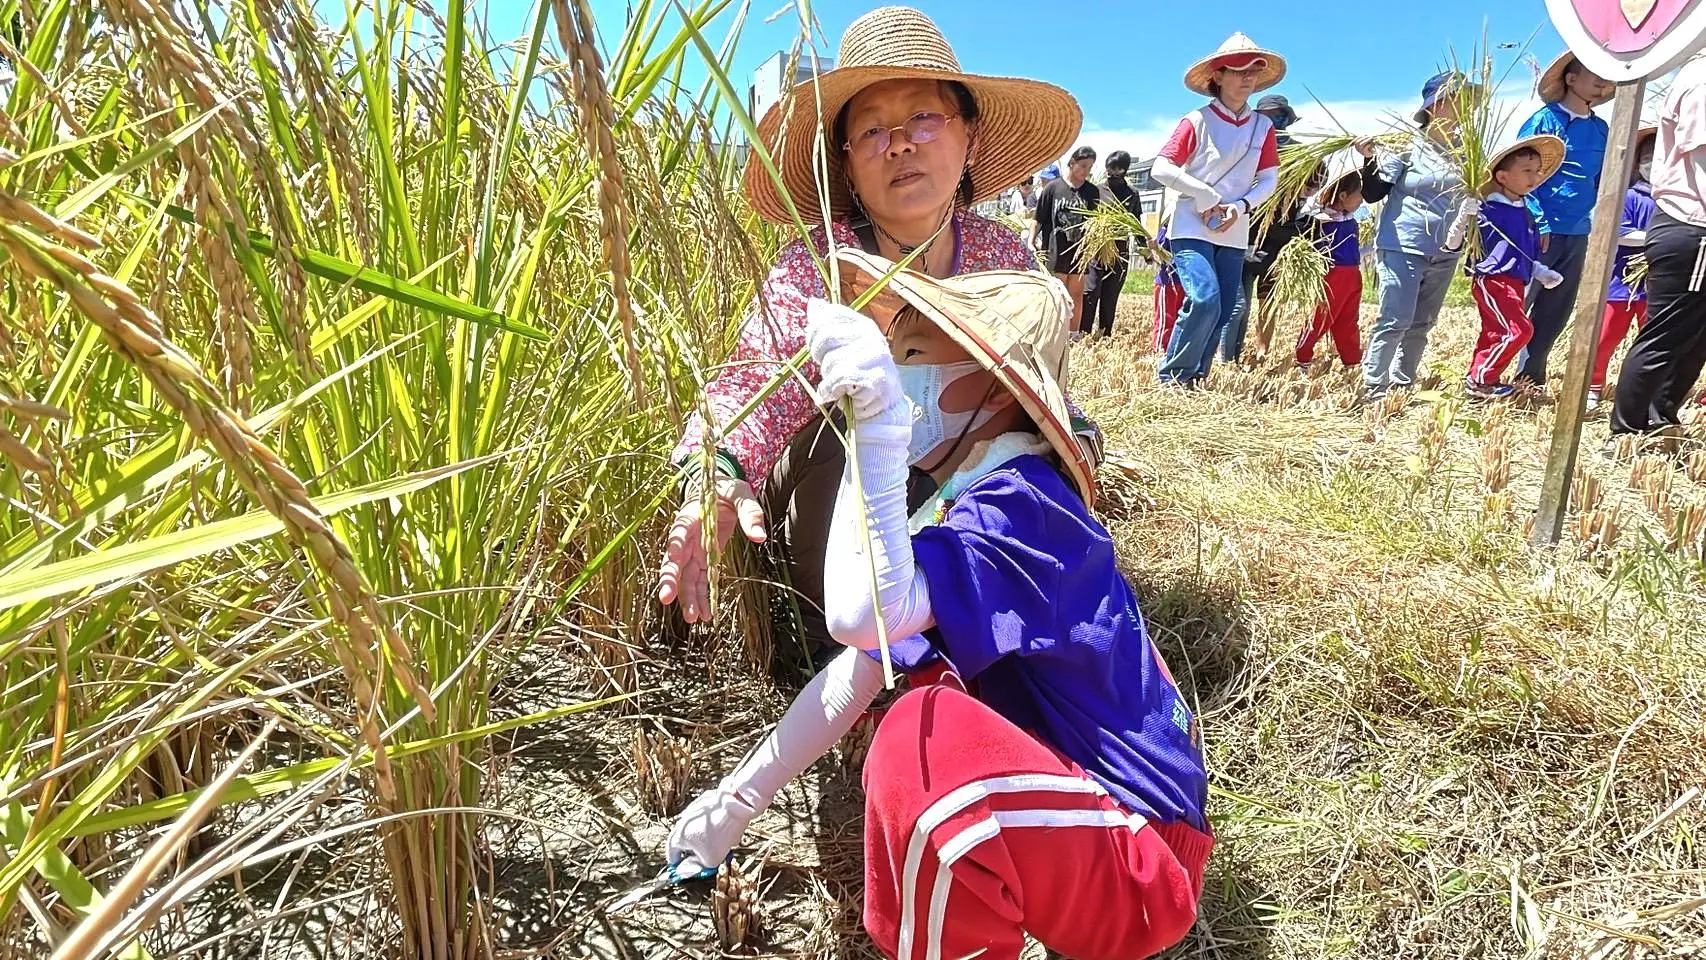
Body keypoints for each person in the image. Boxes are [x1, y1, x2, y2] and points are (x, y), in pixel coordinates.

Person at [666, 247, 1212, 960]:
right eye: (891, 356)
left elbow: (859, 614)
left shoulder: (1027, 507)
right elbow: (860, 663)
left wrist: (878, 428)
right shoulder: (967, 505)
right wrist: (736, 801)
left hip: (1139, 856)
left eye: (914, 355)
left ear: (996, 390)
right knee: (916, 717)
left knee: (919, 741)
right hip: (1082, 821)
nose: (897, 373)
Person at [658, 6, 1092, 661]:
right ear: (847, 166)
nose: (899, 144)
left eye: (924, 118)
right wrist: (714, 470)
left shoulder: (1002, 256)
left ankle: (965, 622)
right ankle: (844, 647)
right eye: (871, 131)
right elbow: (756, 377)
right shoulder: (819, 263)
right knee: (846, 432)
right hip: (843, 499)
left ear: (969, 137)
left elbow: (1037, 388)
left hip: (964, 485)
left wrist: (1074, 440)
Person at [1151, 33, 1284, 385]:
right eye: (1238, 70)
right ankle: (1173, 376)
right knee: (1204, 298)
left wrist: (1240, 207)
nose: (1247, 77)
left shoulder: (1263, 128)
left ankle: (1197, 377)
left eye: (1253, 71)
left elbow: (1269, 179)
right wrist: (1205, 195)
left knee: (1224, 308)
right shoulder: (1196, 120)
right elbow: (1161, 168)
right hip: (1191, 225)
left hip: (1234, 229)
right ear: (1218, 76)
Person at [1360, 71, 1481, 400]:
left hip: (1446, 249)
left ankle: (1403, 385)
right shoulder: (1407, 145)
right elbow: (1374, 192)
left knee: (1423, 322)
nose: (1465, 106)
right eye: (1458, 98)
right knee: (1395, 319)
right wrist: (1369, 159)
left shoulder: (1468, 152)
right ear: (1435, 105)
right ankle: (1374, 387)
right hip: (1403, 243)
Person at [1610, 50, 1706, 450]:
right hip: (1694, 224)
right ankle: (1627, 431)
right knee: (1668, 333)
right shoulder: (1703, 78)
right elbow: (1702, 162)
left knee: (1695, 337)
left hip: (1690, 225)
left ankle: (1658, 421)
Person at [1513, 52, 1615, 390]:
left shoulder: (1601, 130)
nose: (1601, 81)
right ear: (1571, 79)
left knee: (1556, 308)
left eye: (1604, 76)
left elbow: (1604, 180)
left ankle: (1530, 379)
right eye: (1592, 74)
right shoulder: (1544, 122)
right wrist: (1538, 221)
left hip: (1578, 232)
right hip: (1537, 230)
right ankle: (1486, 375)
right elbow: (1518, 175)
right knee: (1517, 305)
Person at [1443, 135, 1566, 399]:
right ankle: (1480, 380)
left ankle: (1480, 381)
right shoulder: (1487, 209)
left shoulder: (1526, 213)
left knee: (1495, 332)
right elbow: (1453, 244)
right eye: (1526, 171)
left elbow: (1523, 253)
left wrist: (1540, 272)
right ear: (1502, 177)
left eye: (1537, 171)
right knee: (1518, 330)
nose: (1534, 177)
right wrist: (1464, 216)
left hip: (1516, 282)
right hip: (1493, 280)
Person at [1589, 127, 1658, 410]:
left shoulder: (1674, 203)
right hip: (1623, 283)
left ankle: (1647, 390)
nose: (1655, 164)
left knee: (1653, 339)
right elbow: (1617, 232)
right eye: (1649, 157)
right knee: (1605, 337)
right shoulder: (1628, 197)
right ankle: (1592, 386)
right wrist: (1656, 239)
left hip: (1657, 283)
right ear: (1638, 163)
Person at [1231, 93, 1303, 361]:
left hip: (1280, 235)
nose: (1274, 121)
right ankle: (1231, 352)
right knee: (1239, 302)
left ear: (1287, 119)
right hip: (1247, 231)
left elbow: (1317, 181)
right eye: (1268, 116)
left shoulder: (1300, 152)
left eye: (1279, 116)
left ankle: (1262, 350)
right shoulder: (1247, 148)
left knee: (1269, 299)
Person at [1292, 158, 1367, 369]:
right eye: (1360, 196)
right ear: (1343, 195)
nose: (1362, 202)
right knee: (1320, 319)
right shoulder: (1322, 219)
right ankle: (1302, 358)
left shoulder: (1351, 219)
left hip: (1353, 276)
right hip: (1333, 275)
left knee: (1348, 321)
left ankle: (1352, 362)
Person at [1035, 145, 1101, 337]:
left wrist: (1094, 246)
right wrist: (1031, 241)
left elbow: (1095, 223)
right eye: (1083, 166)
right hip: (1055, 249)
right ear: (1072, 163)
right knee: (1057, 295)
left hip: (1079, 252)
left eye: (1090, 167)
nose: (1086, 171)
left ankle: (1073, 334)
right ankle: (1054, 334)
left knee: (1076, 295)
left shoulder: (1092, 192)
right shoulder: (1053, 188)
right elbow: (1038, 219)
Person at [1083, 149, 1143, 337]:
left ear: (1124, 170)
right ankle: (1083, 334)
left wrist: (1145, 249)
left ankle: (1104, 334)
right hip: (1097, 251)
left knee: (1110, 297)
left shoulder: (1132, 194)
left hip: (1120, 253)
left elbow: (1136, 224)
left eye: (1117, 169)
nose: (1112, 173)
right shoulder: (1096, 190)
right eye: (1109, 168)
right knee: (1091, 292)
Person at [1151, 222, 1185, 352]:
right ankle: (1159, 350)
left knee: (1178, 319)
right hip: (1167, 281)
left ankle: (1172, 350)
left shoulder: (1188, 229)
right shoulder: (1165, 230)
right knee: (1165, 319)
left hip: (1182, 282)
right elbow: (1157, 255)